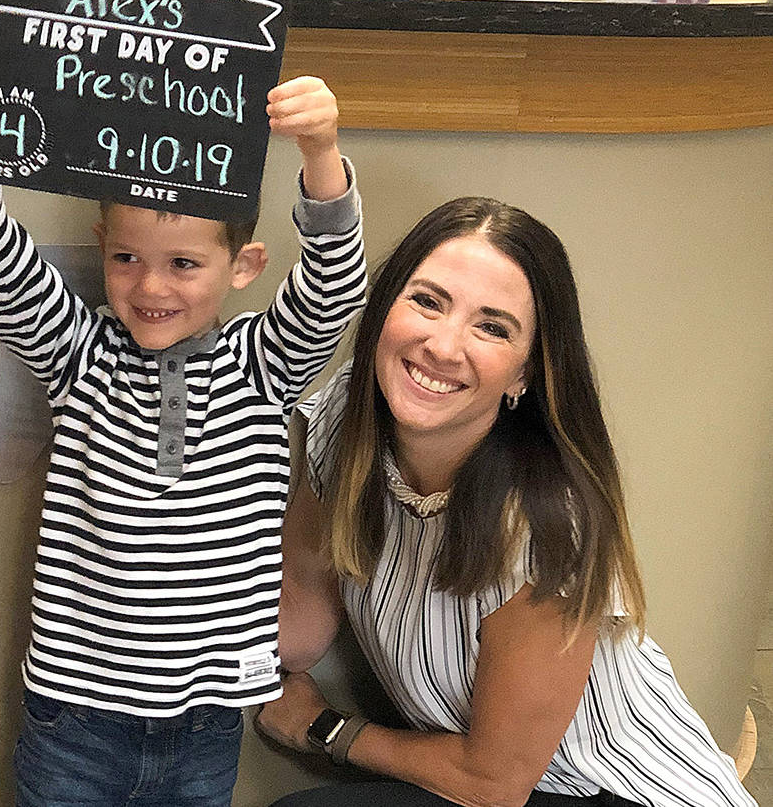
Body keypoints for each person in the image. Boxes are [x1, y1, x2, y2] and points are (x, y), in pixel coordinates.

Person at [0, 42, 367, 806]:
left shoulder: (264, 364)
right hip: (74, 721)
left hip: (208, 724)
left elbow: (332, 287)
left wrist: (321, 152)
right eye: (126, 258)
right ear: (102, 250)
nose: (150, 285)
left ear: (244, 266)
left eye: (184, 264)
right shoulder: (77, 351)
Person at [256, 197, 756, 806]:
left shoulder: (544, 526)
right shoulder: (347, 416)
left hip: (609, 791)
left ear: (524, 374)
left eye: (492, 328)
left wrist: (324, 728)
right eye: (427, 301)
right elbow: (297, 628)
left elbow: (492, 784)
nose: (443, 346)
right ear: (383, 307)